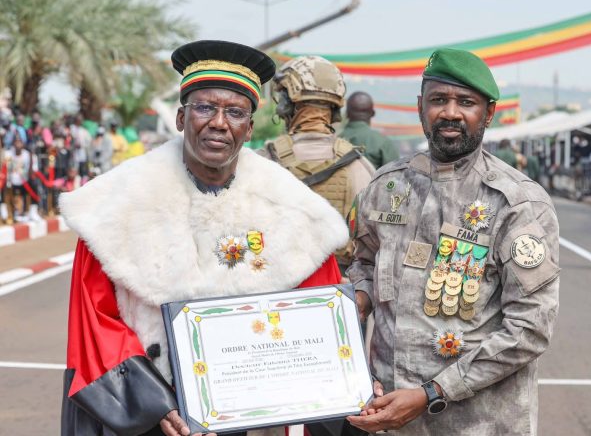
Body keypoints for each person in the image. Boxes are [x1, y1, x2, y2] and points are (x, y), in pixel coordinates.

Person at [59, 40, 348, 436]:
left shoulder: (295, 213)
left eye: (235, 112)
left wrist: (346, 385)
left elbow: (319, 324)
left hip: (254, 415)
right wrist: (157, 405)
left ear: (249, 128)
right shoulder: (115, 207)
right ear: (180, 118)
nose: (218, 122)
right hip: (152, 418)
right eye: (204, 108)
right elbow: (94, 323)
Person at [345, 48, 560, 435]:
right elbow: (362, 262)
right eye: (439, 100)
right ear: (420, 106)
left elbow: (530, 327)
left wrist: (432, 392)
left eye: (466, 102)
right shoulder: (385, 187)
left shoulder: (516, 202)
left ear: (489, 113)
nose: (450, 113)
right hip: (387, 419)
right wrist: (358, 296)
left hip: (478, 423)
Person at [264, 55, 374, 272]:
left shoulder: (261, 162)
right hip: (338, 291)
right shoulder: (361, 167)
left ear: (286, 104)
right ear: (335, 107)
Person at [339, 91, 399, 169]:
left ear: (346, 113)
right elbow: (395, 177)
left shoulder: (334, 141)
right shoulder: (383, 142)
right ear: (373, 113)